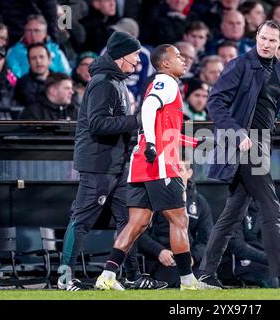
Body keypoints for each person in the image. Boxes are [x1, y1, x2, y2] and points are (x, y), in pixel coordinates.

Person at [198, 20, 280, 289]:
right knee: (271, 207)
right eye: (263, 38)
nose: (266, 44)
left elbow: (270, 112)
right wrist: (238, 133)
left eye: (272, 40)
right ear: (256, 37)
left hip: (260, 145)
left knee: (232, 215)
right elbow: (215, 101)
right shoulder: (240, 65)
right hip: (244, 145)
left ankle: (206, 274)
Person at [94, 44, 218, 291]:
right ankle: (188, 281)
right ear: (164, 63)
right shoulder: (166, 82)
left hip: (142, 162)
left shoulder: (162, 83)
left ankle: (107, 276)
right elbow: (149, 107)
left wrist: (194, 142)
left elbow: (165, 131)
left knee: (137, 223)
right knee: (179, 220)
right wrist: (152, 144)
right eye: (178, 56)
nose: (183, 60)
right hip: (159, 161)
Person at [57, 31, 160, 291]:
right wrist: (137, 120)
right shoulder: (104, 82)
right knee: (81, 221)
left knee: (130, 221)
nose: (138, 61)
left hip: (116, 164)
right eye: (135, 55)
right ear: (122, 56)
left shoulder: (115, 80)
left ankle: (132, 276)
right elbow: (98, 123)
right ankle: (64, 278)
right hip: (99, 165)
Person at [137, 160, 214, 288]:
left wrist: (193, 256)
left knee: (208, 281)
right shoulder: (154, 199)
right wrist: (159, 251)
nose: (176, 174)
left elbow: (207, 238)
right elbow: (138, 235)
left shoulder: (199, 202)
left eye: (181, 170)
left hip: (192, 261)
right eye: (173, 170)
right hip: (162, 261)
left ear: (189, 173)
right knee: (175, 281)